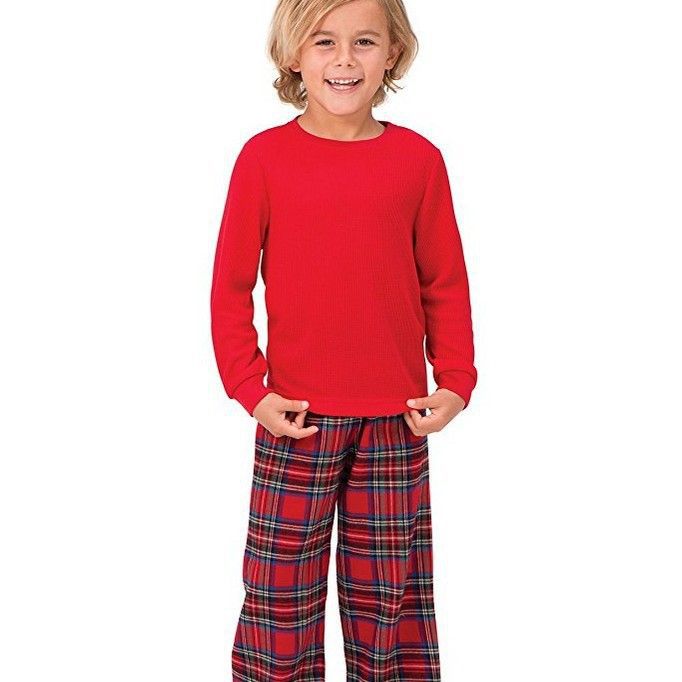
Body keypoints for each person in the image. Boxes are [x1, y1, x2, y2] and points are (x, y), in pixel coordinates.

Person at [210, 0, 477, 678]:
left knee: (390, 603)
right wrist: (250, 389)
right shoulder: (263, 159)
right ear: (293, 54)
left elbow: (444, 282)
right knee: (279, 601)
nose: (345, 59)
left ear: (393, 54)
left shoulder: (419, 161)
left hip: (396, 419)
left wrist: (455, 381)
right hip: (293, 416)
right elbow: (230, 287)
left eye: (364, 42)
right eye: (324, 42)